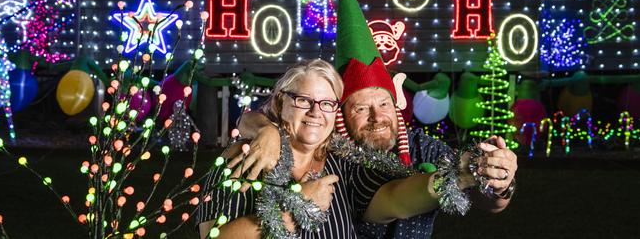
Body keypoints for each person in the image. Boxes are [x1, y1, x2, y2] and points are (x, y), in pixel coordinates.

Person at [228, 0, 518, 239]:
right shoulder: (339, 158)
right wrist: (267, 129)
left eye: (383, 104)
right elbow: (394, 200)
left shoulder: (423, 148)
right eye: (361, 109)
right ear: (339, 114)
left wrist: (497, 177)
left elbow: (492, 201)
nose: (377, 117)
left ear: (397, 104)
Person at [197, 59, 478, 239]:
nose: (316, 112)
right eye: (304, 100)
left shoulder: (342, 162)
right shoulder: (245, 158)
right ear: (282, 103)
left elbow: (394, 200)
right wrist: (296, 209)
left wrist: (458, 177)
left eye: (327, 103)